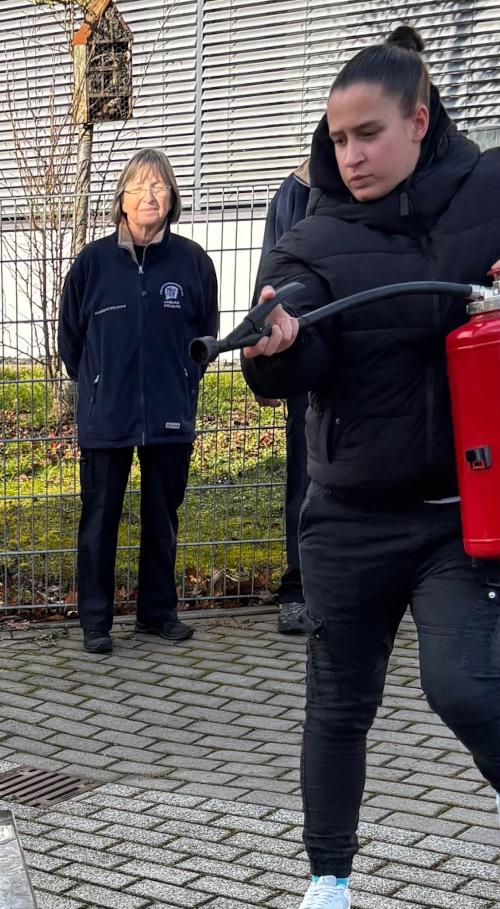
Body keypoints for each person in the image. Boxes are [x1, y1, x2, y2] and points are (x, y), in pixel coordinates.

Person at [241, 26, 500, 909]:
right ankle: (328, 883)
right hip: (347, 518)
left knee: (469, 689)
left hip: (457, 520)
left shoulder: (488, 192)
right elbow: (288, 338)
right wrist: (277, 339)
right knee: (337, 703)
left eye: (368, 134)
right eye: (337, 137)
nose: (349, 155)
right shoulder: (312, 231)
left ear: (419, 121)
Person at [59, 149, 219, 655]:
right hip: (107, 414)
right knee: (100, 516)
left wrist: (182, 380)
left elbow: (205, 339)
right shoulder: (93, 263)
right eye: (139, 187)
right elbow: (71, 342)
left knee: (162, 515)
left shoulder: (193, 262)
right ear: (121, 201)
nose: (150, 196)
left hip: (170, 412)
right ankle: (95, 622)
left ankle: (157, 612)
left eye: (160, 187)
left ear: (172, 198)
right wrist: (100, 385)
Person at [257, 160, 312, 635]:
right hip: (306, 364)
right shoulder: (293, 194)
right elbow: (269, 279)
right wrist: (267, 368)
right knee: (305, 477)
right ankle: (297, 589)